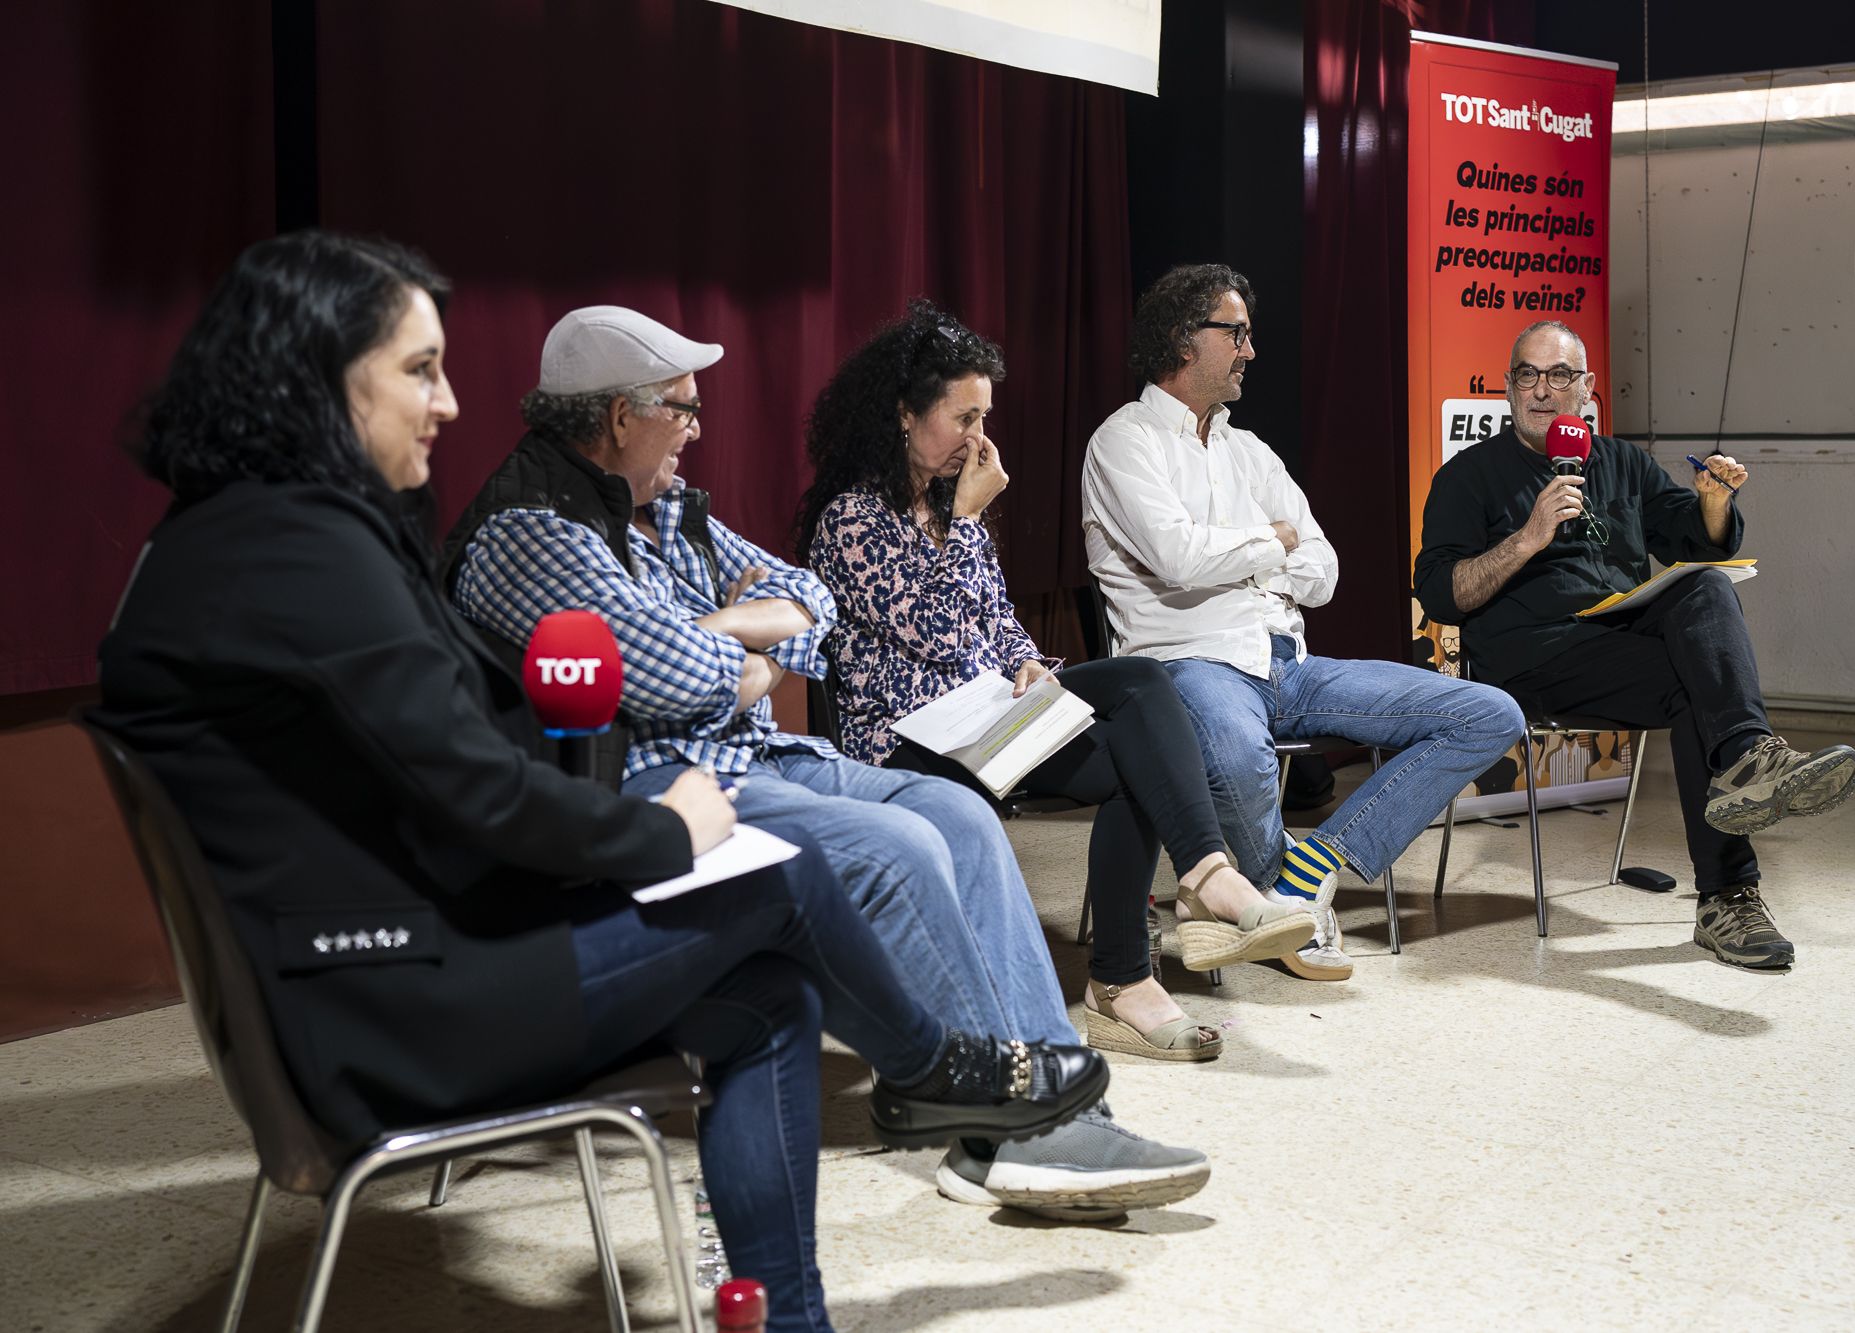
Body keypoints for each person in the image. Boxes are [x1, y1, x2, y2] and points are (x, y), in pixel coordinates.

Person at [89, 232, 1110, 1333]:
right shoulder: (300, 553)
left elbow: (477, 758)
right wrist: (666, 835)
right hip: (388, 1008)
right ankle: (936, 1067)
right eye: (419, 370)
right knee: (784, 875)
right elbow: (482, 787)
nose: (448, 404)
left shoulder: (242, 533)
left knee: (770, 999)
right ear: (317, 374)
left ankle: (804, 1299)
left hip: (363, 973)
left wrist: (673, 752)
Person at [442, 305, 1208, 1220]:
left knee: (955, 816)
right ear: (619, 416)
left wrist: (727, 643)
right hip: (651, 785)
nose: (698, 428)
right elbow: (671, 673)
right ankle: (1010, 1129)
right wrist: (740, 652)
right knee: (899, 845)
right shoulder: (534, 529)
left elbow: (808, 604)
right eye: (683, 410)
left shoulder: (668, 510)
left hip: (757, 750)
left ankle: (1058, 1104)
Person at [795, 302, 1320, 1059]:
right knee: (1139, 739)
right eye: (962, 417)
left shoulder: (951, 504)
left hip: (993, 720)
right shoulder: (852, 520)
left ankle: (1168, 922)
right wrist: (969, 523)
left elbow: (995, 618)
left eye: (986, 417)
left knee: (1140, 690)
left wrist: (1027, 660)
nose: (978, 439)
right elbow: (937, 636)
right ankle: (1153, 946)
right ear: (905, 416)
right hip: (914, 743)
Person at [1082, 264, 1525, 959]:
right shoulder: (1124, 441)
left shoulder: (1248, 450)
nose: (1251, 352)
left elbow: (1323, 570)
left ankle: (1300, 874)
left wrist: (1248, 555)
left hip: (1289, 664)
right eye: (1236, 334)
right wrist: (1269, 546)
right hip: (1193, 667)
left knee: (1491, 714)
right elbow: (1176, 558)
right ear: (1181, 339)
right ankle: (1268, 900)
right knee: (1239, 757)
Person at [1414, 320, 1855, 969]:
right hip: (1529, 657)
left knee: (1704, 587)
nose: (1543, 389)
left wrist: (1711, 502)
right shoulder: (1470, 476)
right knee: (1694, 687)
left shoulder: (1620, 461)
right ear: (1508, 387)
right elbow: (1441, 594)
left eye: (1560, 374)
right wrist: (1528, 537)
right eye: (1528, 374)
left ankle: (1746, 770)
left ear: (1587, 387)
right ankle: (1732, 877)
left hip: (1614, 637)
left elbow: (1694, 535)